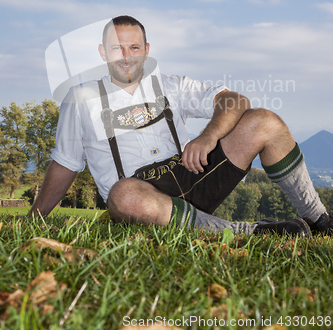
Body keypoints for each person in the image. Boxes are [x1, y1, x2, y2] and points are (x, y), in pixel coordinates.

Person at [30, 15, 333, 237]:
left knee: (265, 121)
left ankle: (319, 220)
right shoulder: (80, 98)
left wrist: (209, 137)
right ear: (102, 53)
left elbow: (234, 100)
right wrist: (34, 219)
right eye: (116, 49)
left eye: (134, 48)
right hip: (140, 198)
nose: (126, 57)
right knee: (122, 194)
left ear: (146, 49)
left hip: (191, 174)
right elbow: (65, 163)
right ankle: (247, 233)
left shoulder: (171, 85)